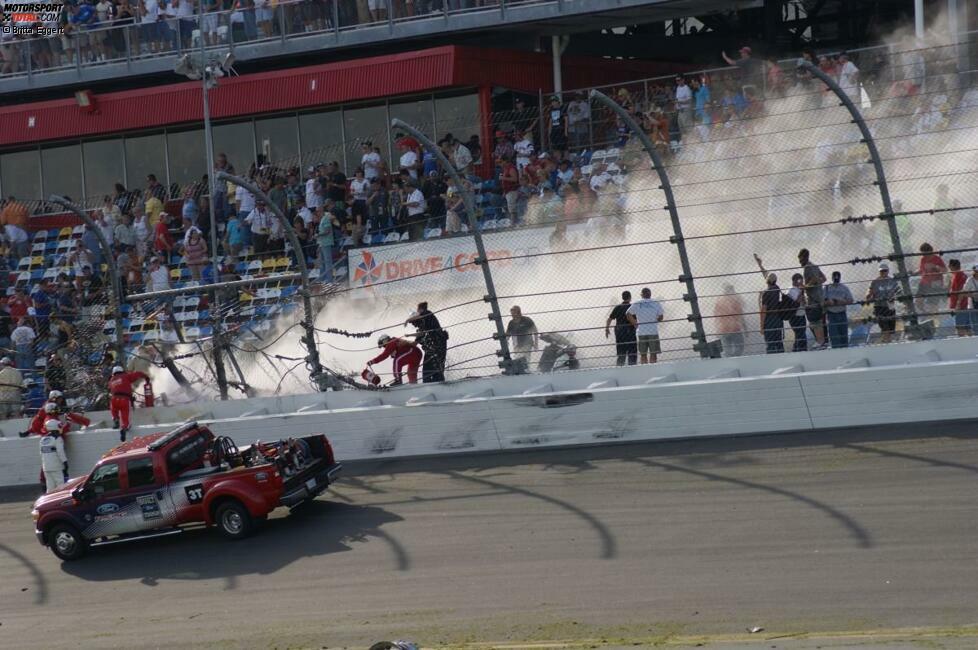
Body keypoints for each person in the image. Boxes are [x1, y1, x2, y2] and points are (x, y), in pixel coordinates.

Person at [406, 302, 448, 383]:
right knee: (428, 372)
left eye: (414, 322)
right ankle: (431, 385)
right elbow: (415, 342)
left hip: (437, 349)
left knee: (435, 370)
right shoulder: (421, 329)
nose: (414, 325)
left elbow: (423, 316)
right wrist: (405, 339)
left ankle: (439, 385)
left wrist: (408, 320)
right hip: (430, 352)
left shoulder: (428, 315)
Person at [108, 365, 151, 441]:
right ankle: (124, 428)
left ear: (113, 373)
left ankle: (115, 419)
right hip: (124, 400)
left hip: (114, 400)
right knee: (125, 420)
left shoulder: (111, 380)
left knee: (113, 409)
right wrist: (146, 377)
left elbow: (115, 389)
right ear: (122, 371)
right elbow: (138, 373)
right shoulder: (126, 376)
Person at [625, 287, 665, 364]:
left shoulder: (638, 303)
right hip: (653, 332)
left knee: (643, 354)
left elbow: (628, 313)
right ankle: (653, 369)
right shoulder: (655, 302)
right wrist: (655, 321)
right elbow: (661, 317)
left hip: (641, 332)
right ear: (650, 294)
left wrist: (635, 323)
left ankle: (645, 371)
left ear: (642, 294)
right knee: (653, 353)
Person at [866, 262, 900, 344]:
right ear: (879, 272)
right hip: (879, 307)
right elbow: (870, 291)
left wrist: (895, 297)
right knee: (885, 327)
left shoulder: (892, 281)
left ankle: (886, 341)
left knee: (891, 329)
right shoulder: (875, 282)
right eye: (881, 271)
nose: (883, 272)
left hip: (890, 307)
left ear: (888, 271)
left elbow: (898, 291)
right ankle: (886, 341)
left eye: (885, 271)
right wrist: (868, 296)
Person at [712, 284, 747, 357]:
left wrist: (717, 331)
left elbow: (716, 317)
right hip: (734, 328)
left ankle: (729, 361)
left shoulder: (719, 300)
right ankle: (735, 359)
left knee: (727, 350)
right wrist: (745, 329)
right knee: (740, 347)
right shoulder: (735, 300)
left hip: (723, 329)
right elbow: (741, 316)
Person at [605, 291, 637, 366]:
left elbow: (609, 319)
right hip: (630, 332)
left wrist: (607, 329)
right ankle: (632, 369)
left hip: (620, 332)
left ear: (622, 297)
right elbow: (635, 320)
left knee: (621, 354)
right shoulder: (632, 307)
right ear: (630, 297)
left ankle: (619, 369)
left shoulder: (618, 307)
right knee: (632, 353)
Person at [824, 271, 854, 348]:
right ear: (832, 277)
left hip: (842, 314)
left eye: (838, 276)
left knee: (844, 336)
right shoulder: (827, 288)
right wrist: (828, 302)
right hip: (831, 315)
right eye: (835, 276)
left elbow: (851, 300)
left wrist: (841, 301)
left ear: (840, 277)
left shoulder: (844, 288)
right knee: (834, 337)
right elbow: (822, 301)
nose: (836, 278)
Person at [39, 419, 69, 494]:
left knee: (50, 487)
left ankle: (48, 502)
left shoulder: (43, 439)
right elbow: (60, 452)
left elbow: (41, 453)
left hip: (46, 467)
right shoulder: (58, 438)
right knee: (61, 485)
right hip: (56, 466)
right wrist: (65, 462)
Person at [758, 273, 785, 354]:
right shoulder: (777, 289)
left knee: (770, 345)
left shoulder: (766, 293)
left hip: (769, 322)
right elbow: (768, 277)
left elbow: (763, 311)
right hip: (778, 320)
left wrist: (762, 327)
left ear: (767, 281)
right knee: (779, 343)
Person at [947, 259, 971, 336]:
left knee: (960, 328)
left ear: (952, 266)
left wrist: (958, 303)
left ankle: (962, 344)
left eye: (950, 266)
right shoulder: (958, 275)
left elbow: (961, 291)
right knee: (967, 327)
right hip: (963, 305)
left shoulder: (959, 275)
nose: (949, 267)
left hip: (961, 306)